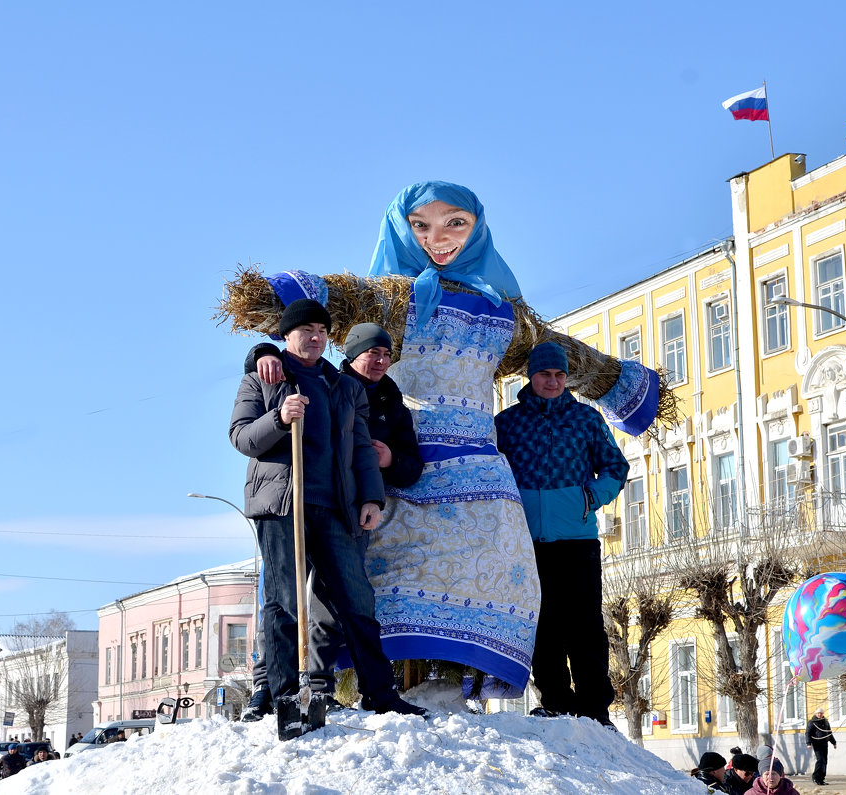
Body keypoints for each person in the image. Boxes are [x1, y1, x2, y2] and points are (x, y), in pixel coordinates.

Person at [219, 181, 665, 691]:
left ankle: (458, 682)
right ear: (400, 228)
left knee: (500, 569)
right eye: (420, 225)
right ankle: (341, 682)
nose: (440, 238)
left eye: (456, 222)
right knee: (370, 577)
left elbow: (557, 353)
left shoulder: (505, 312)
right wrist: (266, 338)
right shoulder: (390, 300)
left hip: (478, 469)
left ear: (477, 227)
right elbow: (322, 310)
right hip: (396, 454)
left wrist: (619, 386)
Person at [229, 298, 425, 730]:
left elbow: (360, 447)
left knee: (357, 599)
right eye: (306, 330)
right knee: (285, 602)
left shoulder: (344, 387)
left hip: (335, 507)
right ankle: (284, 697)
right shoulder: (263, 379)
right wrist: (279, 418)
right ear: (286, 335)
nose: (315, 337)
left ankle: (380, 693)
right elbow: (242, 437)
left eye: (322, 330)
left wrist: (371, 499)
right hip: (283, 506)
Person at [495, 341, 628, 725]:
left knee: (585, 625)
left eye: (558, 375)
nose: (552, 381)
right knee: (542, 624)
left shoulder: (586, 420)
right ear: (531, 377)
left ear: (566, 379)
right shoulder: (507, 423)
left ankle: (594, 707)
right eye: (544, 374)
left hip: (578, 539)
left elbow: (616, 469)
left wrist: (589, 497)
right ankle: (555, 699)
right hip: (526, 541)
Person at [806, 707, 837, 785]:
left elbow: (829, 733)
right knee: (820, 760)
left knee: (824, 761)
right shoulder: (812, 722)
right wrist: (808, 743)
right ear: (816, 714)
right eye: (818, 713)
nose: (819, 714)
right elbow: (808, 733)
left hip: (824, 743)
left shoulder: (825, 722)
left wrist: (834, 742)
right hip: (817, 743)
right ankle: (815, 777)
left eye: (821, 713)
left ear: (823, 714)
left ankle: (821, 779)